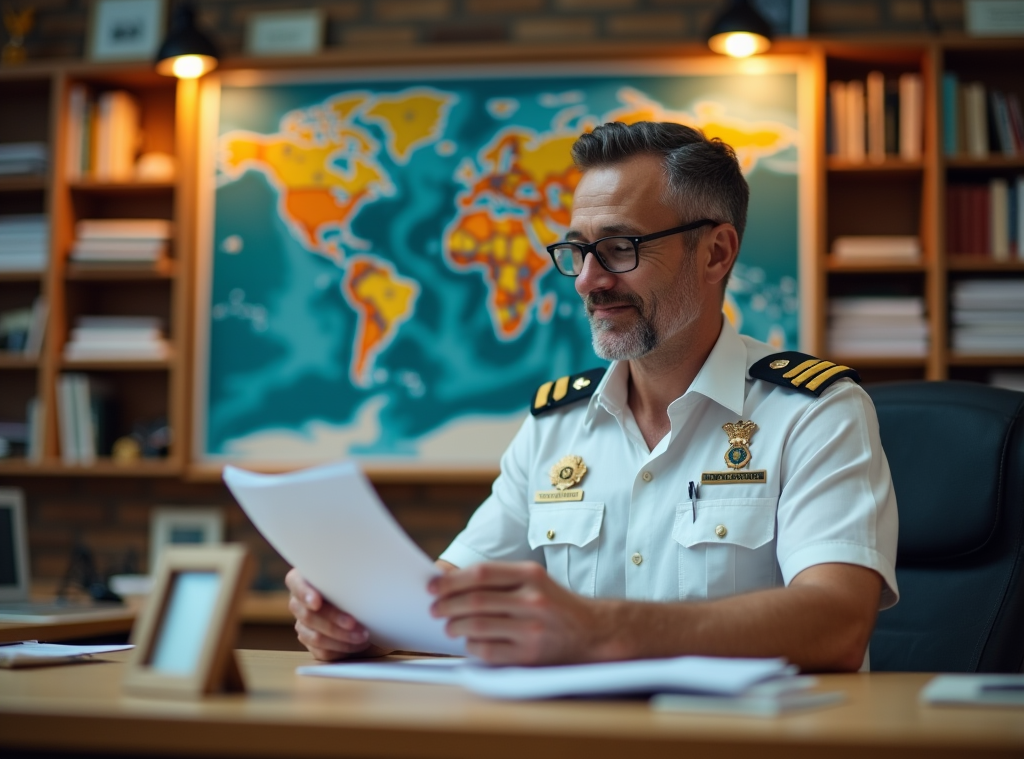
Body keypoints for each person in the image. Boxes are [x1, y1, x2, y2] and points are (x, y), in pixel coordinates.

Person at [286, 121, 899, 671]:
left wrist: (603, 629)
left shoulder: (813, 411)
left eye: (620, 247)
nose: (587, 280)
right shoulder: (557, 424)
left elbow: (837, 623)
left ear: (716, 252)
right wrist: (362, 621)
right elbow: (448, 598)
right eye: (578, 250)